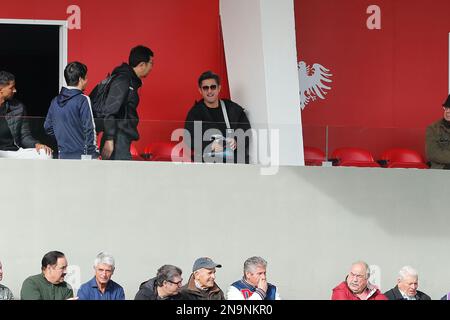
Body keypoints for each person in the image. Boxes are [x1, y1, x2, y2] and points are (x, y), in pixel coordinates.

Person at [184, 71, 251, 164]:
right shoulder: (195, 113)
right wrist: (210, 145)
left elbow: (246, 130)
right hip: (209, 163)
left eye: (213, 87)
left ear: (219, 88)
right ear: (200, 90)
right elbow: (189, 139)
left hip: (234, 163)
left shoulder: (232, 108)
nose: (210, 91)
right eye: (205, 88)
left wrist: (236, 140)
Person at [100, 45, 154, 160]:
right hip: (116, 140)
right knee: (121, 175)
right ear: (142, 64)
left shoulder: (130, 81)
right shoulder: (123, 80)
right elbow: (109, 110)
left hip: (121, 139)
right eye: (151, 63)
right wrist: (109, 140)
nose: (151, 68)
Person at [44, 62, 98, 160]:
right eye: (86, 78)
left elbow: (48, 127)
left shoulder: (54, 101)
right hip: (82, 156)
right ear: (80, 79)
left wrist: (63, 139)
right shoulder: (83, 99)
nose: (87, 80)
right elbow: (89, 129)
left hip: (63, 154)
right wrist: (93, 154)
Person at [0, 71, 52, 159]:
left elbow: (24, 136)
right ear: (1, 88)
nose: (15, 90)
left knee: (45, 154)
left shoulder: (18, 107)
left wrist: (36, 144)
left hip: (13, 152)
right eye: (11, 88)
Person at [426, 94, 450, 169]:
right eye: (446, 108)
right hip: (440, 169)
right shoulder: (433, 128)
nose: (448, 111)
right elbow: (432, 153)